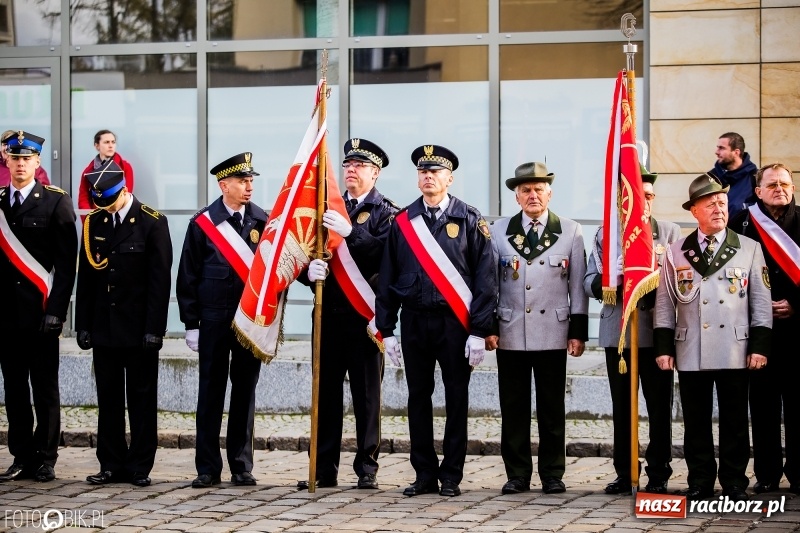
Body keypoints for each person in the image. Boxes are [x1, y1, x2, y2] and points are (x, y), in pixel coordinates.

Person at [376, 144, 496, 498]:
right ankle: (424, 473)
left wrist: (479, 330)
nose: (428, 176)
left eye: (435, 172)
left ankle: (451, 475)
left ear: (449, 179)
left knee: (456, 397)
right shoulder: (403, 222)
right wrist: (387, 329)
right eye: (423, 172)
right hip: (415, 321)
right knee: (418, 397)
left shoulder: (469, 219)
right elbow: (387, 276)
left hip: (454, 323)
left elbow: (486, 278)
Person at [654, 173, 772, 502]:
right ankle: (700, 480)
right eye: (710, 204)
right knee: (695, 421)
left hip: (735, 347)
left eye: (722, 202)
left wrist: (760, 347)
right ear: (694, 210)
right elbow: (664, 304)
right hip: (691, 346)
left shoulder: (748, 248)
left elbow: (761, 303)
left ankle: (734, 481)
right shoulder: (676, 251)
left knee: (735, 420)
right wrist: (663, 348)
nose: (719, 208)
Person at [297, 139, 398, 490]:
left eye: (360, 165)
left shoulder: (387, 213)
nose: (351, 170)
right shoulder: (325, 207)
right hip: (328, 314)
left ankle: (367, 467)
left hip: (364, 317)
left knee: (367, 396)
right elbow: (305, 248)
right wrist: (307, 273)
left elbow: (385, 257)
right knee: (324, 394)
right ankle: (323, 468)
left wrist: (351, 233)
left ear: (375, 172)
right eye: (347, 164)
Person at [484, 162, 588, 495]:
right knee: (513, 407)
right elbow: (490, 284)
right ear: (516, 197)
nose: (533, 195)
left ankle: (553, 473)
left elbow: (577, 287)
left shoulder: (570, 231)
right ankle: (517, 473)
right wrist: (489, 326)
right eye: (526, 190)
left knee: (552, 408)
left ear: (549, 194)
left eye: (539, 189)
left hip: (553, 331)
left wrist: (578, 331)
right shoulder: (498, 231)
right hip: (511, 330)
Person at [584, 163, 681, 495]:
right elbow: (588, 281)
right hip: (620, 332)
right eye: (638, 197)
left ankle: (659, 472)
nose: (644, 203)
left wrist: (648, 278)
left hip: (656, 330)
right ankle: (626, 472)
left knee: (659, 407)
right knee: (623, 407)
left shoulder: (669, 233)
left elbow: (680, 282)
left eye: (648, 196)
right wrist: (610, 280)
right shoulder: (606, 235)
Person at [75, 160, 173, 487]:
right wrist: (83, 323)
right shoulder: (95, 222)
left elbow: (160, 283)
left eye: (110, 201)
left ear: (125, 190)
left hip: (138, 328)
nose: (105, 207)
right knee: (109, 399)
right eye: (100, 202)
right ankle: (111, 463)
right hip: (104, 327)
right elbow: (86, 279)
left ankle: (139, 466)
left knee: (142, 399)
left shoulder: (152, 222)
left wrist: (155, 330)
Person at [177, 152, 267, 488]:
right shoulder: (203, 223)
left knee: (245, 393)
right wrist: (191, 323)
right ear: (223, 185)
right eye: (242, 181)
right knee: (210, 393)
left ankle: (241, 465)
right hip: (213, 321)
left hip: (248, 323)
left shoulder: (263, 221)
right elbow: (187, 276)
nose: (249, 186)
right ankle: (207, 467)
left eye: (251, 180)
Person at [0, 131, 77, 482]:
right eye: (15, 158)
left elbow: (66, 266)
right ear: (7, 160)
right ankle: (21, 456)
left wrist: (57, 312)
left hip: (41, 314)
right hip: (6, 317)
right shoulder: (1, 202)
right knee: (14, 390)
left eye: (26, 159)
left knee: (45, 389)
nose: (20, 164)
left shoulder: (55, 202)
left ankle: (46, 458)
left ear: (37, 162)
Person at [728, 163, 800, 495]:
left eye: (785, 184)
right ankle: (767, 473)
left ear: (793, 188)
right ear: (758, 191)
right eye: (772, 185)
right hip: (758, 332)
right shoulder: (741, 223)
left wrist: (796, 305)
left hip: (797, 329)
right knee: (763, 406)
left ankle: (799, 474)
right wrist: (755, 307)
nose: (779, 189)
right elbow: (728, 275)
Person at [78, 130, 135, 212]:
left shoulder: (125, 167)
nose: (111, 145)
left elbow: (126, 193)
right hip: (96, 216)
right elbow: (83, 198)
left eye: (113, 142)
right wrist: (89, 218)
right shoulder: (88, 171)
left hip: (118, 214)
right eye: (106, 142)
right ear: (97, 146)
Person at [710, 132, 758, 219]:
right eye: (717, 147)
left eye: (721, 148)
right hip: (717, 227)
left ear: (736, 152)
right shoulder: (711, 177)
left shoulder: (755, 177)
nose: (716, 152)